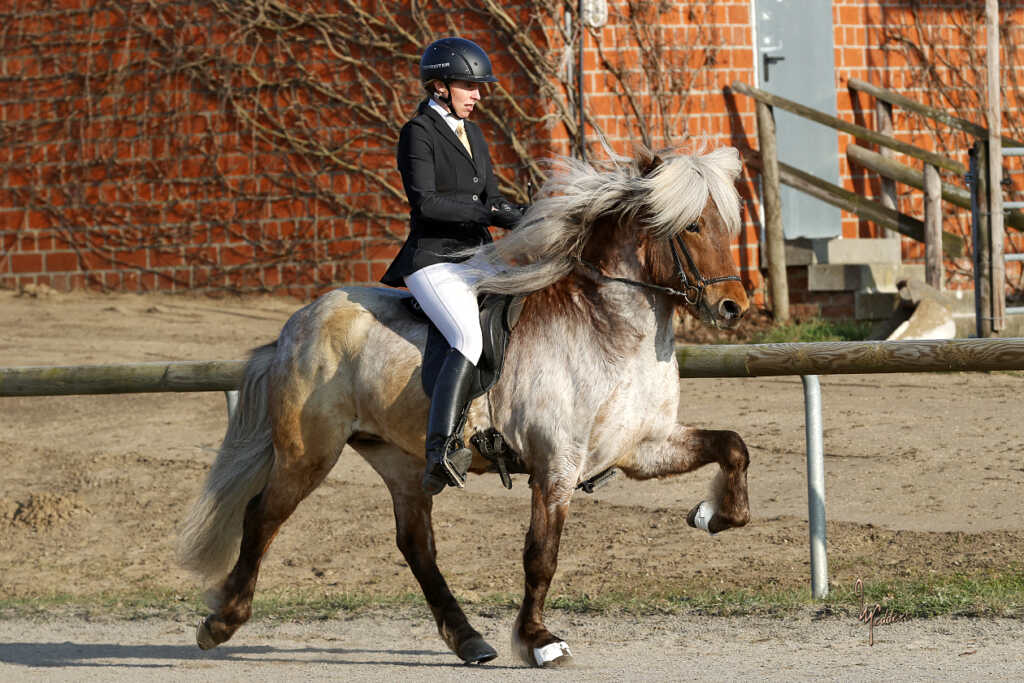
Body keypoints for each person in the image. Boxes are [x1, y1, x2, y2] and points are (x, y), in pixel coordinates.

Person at [381, 37, 523, 495]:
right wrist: (490, 215)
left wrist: (526, 215)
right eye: (469, 85)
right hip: (434, 259)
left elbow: (491, 199)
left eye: (479, 87)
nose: (479, 95)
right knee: (467, 335)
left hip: (476, 255)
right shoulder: (417, 133)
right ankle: (440, 449)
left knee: (527, 315)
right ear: (440, 86)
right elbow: (428, 204)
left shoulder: (474, 134)